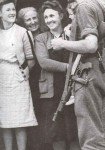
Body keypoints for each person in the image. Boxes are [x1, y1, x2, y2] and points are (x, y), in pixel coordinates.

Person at [51, 0, 105, 149]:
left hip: (85, 75)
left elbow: (91, 45)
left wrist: (62, 43)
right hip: (95, 72)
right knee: (96, 131)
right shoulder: (97, 5)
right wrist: (75, 32)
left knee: (90, 137)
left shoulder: (83, 7)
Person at [34, 1, 79, 150]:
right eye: (46, 17)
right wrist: (70, 67)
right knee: (56, 132)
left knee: (73, 131)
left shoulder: (71, 35)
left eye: (52, 15)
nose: (49, 20)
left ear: (60, 16)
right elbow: (44, 63)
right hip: (51, 92)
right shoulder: (41, 38)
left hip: (72, 89)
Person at [0, 0, 38, 150]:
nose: (11, 12)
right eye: (7, 10)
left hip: (18, 77)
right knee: (5, 120)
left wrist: (24, 73)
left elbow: (31, 59)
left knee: (20, 119)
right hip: (2, 79)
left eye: (13, 9)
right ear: (0, 13)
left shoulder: (23, 32)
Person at [17, 7, 41, 150]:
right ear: (23, 23)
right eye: (28, 20)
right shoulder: (20, 37)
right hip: (28, 81)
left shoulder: (46, 34)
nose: (32, 22)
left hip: (45, 81)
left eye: (34, 18)